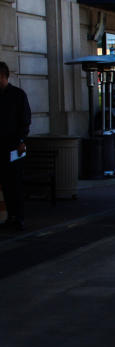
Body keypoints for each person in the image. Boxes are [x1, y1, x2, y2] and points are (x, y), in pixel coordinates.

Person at [0, 61, 31, 231]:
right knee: (6, 183)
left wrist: (21, 140)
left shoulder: (18, 95)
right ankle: (11, 215)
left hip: (14, 145)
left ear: (3, 76)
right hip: (3, 145)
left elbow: (25, 119)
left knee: (15, 183)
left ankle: (18, 217)